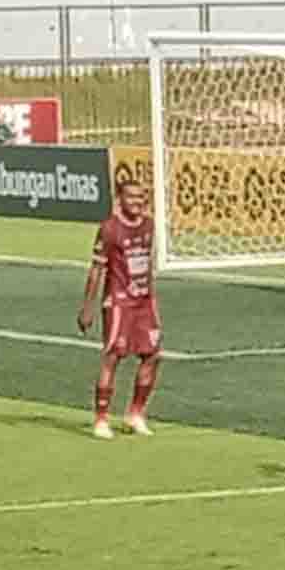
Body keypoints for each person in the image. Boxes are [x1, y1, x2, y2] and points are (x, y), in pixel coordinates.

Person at [79, 181, 162, 439]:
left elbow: (147, 264)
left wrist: (151, 297)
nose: (137, 201)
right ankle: (101, 419)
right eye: (131, 197)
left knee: (153, 355)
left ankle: (135, 414)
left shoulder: (149, 225)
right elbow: (97, 269)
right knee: (113, 357)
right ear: (120, 199)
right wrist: (88, 307)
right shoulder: (110, 229)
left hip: (144, 301)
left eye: (141, 196)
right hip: (119, 302)